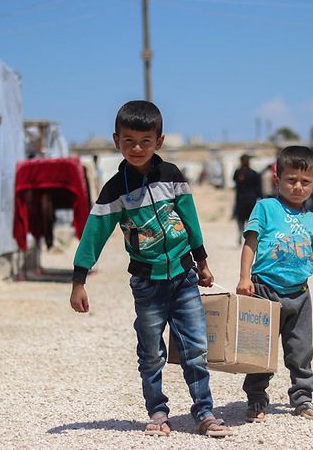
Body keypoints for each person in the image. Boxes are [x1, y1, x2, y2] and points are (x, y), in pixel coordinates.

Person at [70, 100, 232, 438]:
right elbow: (94, 235)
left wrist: (202, 263)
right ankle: (158, 412)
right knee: (151, 351)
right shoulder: (115, 189)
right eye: (129, 141)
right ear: (117, 141)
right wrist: (79, 280)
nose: (137, 148)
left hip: (184, 277)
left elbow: (190, 221)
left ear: (159, 140)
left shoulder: (172, 176)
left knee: (195, 348)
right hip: (147, 283)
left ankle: (204, 411)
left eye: (146, 140)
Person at [236, 145, 313, 422]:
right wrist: (245, 278)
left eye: (305, 182)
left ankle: (303, 398)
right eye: (291, 180)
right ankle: (256, 398)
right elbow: (250, 242)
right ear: (277, 178)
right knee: (260, 350)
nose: (297, 187)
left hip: (300, 295)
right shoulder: (266, 208)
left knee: (301, 350)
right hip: (265, 290)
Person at [233, 154, 262, 245]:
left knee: (240, 219)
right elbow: (258, 188)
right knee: (251, 220)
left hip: (240, 199)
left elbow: (235, 183)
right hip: (251, 200)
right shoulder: (254, 173)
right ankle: (250, 237)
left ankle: (240, 233)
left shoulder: (237, 173)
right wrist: (260, 197)